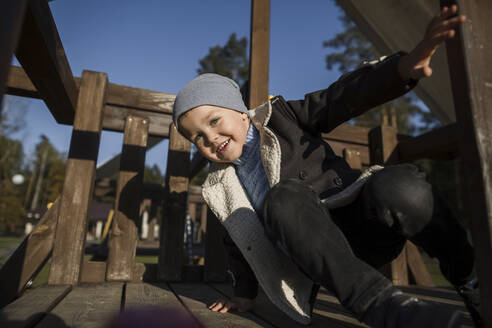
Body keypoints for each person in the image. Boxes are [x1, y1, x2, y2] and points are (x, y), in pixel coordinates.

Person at [172, 5, 481, 328]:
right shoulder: (224, 186)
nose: (210, 138)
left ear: (240, 111)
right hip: (316, 251)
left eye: (214, 121)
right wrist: (243, 293)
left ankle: (473, 280)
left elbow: (340, 98)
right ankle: (382, 307)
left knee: (400, 186)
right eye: (197, 137)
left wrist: (402, 68)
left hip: (361, 225)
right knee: (283, 199)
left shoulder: (283, 118)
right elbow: (239, 238)